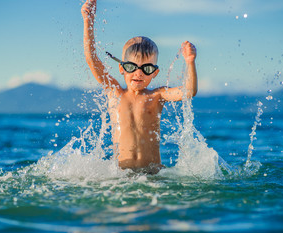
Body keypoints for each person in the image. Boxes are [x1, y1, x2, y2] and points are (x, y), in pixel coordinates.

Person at [81, 0, 197, 174]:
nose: (138, 73)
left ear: (154, 73)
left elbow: (188, 92)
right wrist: (88, 22)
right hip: (122, 175)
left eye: (146, 69)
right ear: (121, 68)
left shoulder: (157, 96)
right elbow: (91, 59)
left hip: (153, 175)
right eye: (131, 67)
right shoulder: (114, 92)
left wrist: (190, 62)